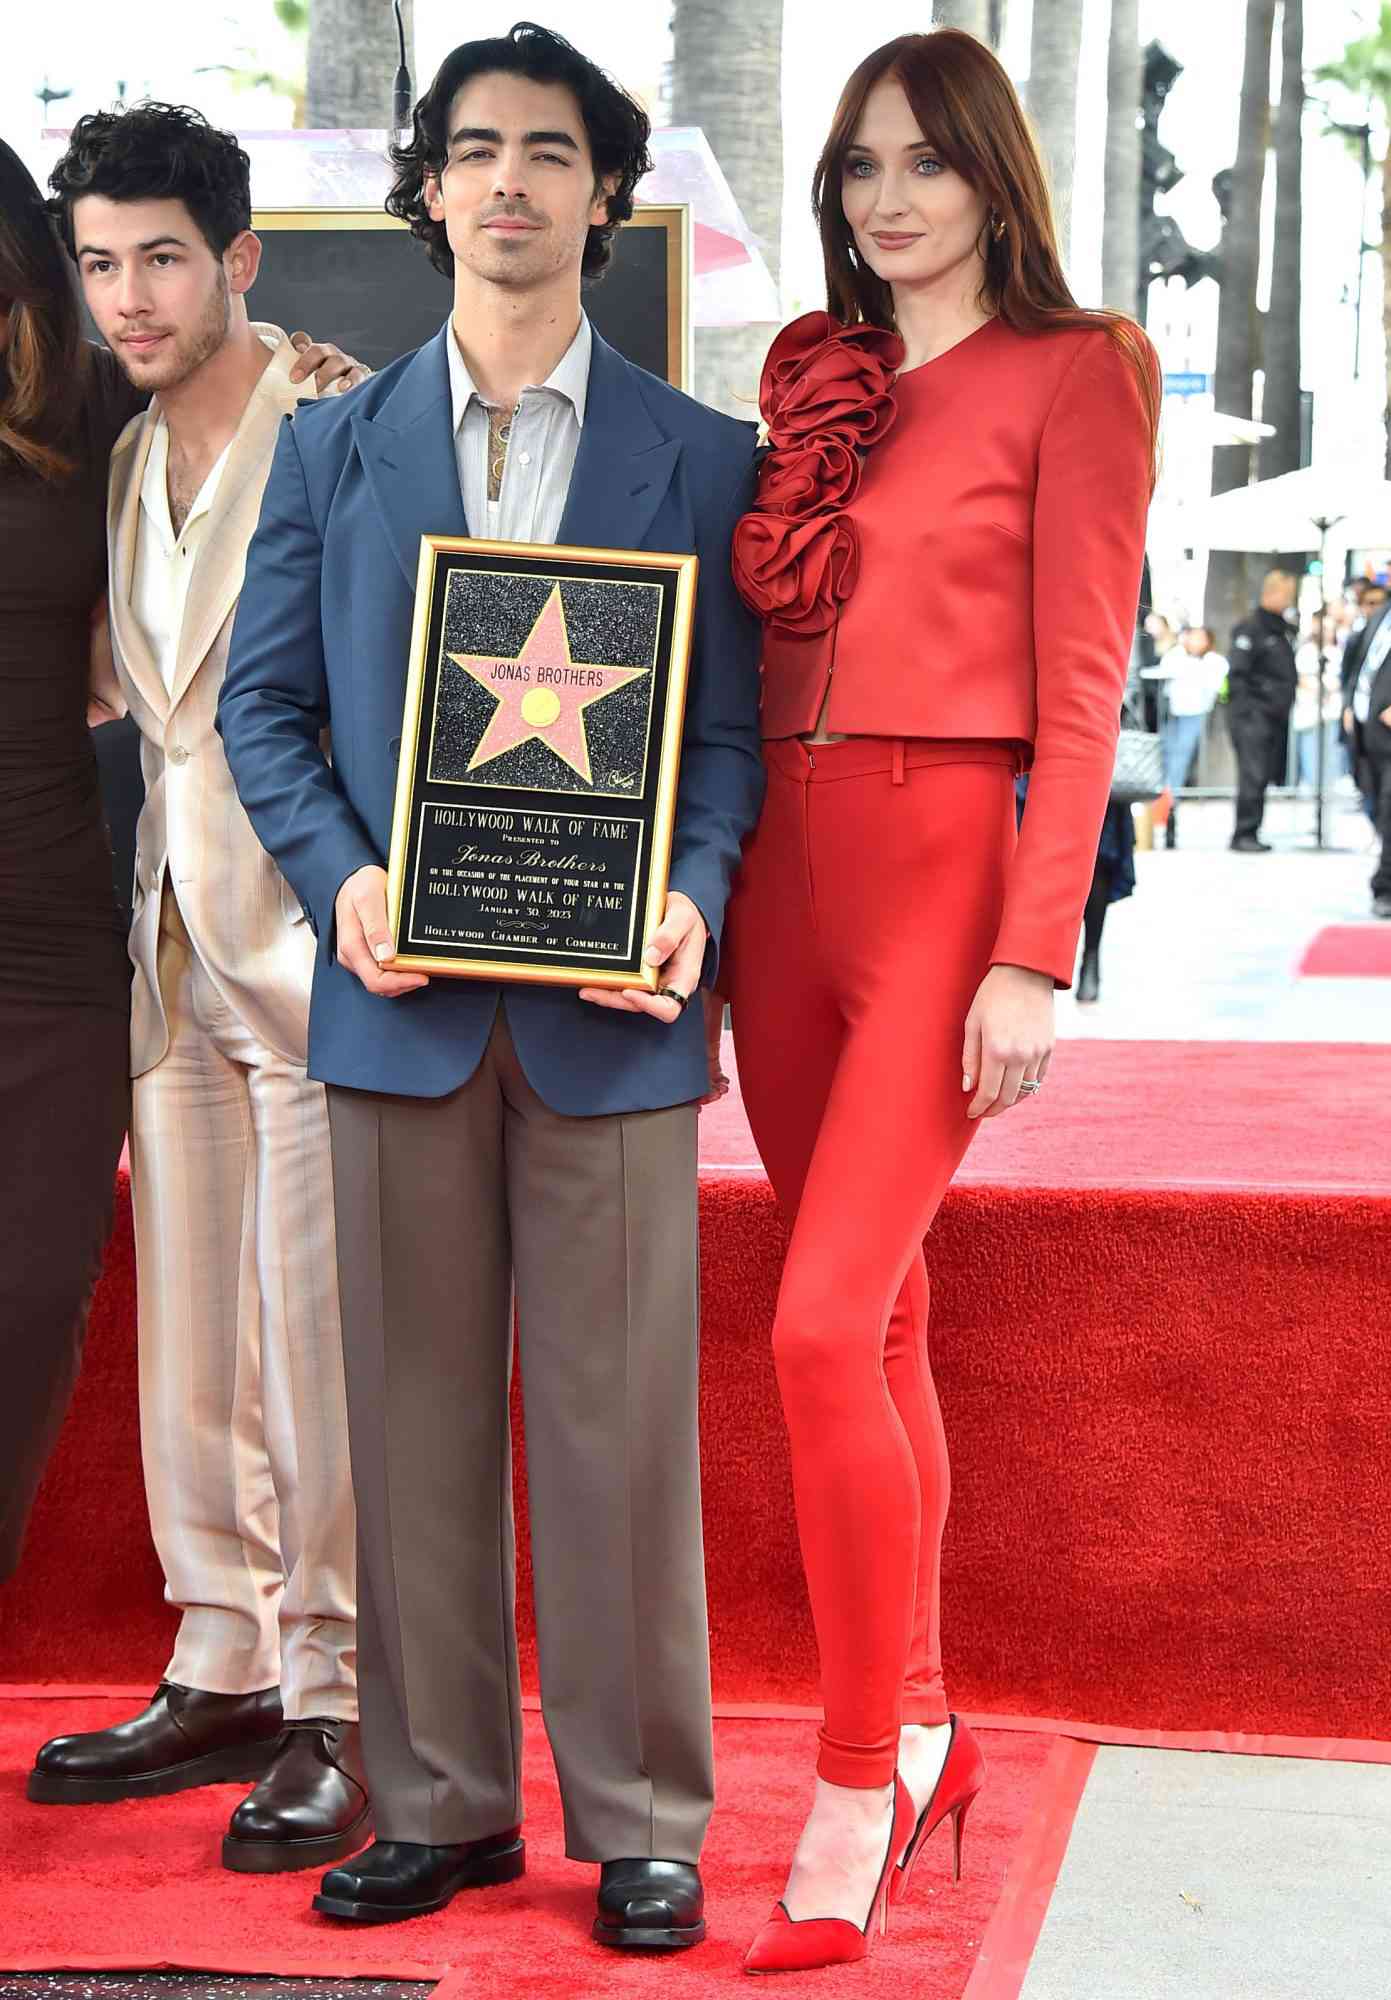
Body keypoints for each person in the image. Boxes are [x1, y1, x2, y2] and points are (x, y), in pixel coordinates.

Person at [217, 23, 762, 1945]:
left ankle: (640, 1818)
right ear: (429, 189)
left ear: (606, 197)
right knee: (414, 1423)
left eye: (551, 151)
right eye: (477, 150)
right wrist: (345, 879)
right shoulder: (329, 447)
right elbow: (261, 713)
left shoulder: (704, 456)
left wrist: (690, 891)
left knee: (621, 1433)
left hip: (615, 1026)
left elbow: (724, 748)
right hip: (397, 1006)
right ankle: (440, 1802)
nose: (512, 179)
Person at [722, 26, 1158, 1974]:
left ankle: (850, 1771)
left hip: (935, 876)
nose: (882, 199)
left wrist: (1028, 949)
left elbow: (1081, 687)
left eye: (920, 163)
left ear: (991, 174)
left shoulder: (1080, 371)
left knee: (820, 1325)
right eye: (854, 168)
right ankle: (918, 1713)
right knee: (869, 1311)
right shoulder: (805, 378)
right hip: (775, 880)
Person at [29, 103, 370, 1877]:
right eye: (101, 263)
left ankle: (344, 1696)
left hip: (322, 956)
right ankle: (222, 1654)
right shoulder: (107, 449)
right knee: (197, 1343)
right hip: (163, 943)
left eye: (165, 255)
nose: (132, 295)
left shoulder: (346, 419)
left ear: (240, 257)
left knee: (317, 1343)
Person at [1227, 569, 1299, 852]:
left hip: (1271, 717)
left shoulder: (1280, 628)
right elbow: (1238, 675)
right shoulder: (1251, 628)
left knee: (1261, 775)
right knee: (1252, 775)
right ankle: (1244, 833)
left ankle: (1252, 831)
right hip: (1253, 717)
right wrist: (1251, 710)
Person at [1342, 594, 1391, 917]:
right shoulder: (1381, 614)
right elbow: (1360, 663)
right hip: (1366, 728)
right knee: (1375, 803)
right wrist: (1349, 704)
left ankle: (1385, 885)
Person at [1159, 624, 1225, 849]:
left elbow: (1213, 684)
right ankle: (1167, 797)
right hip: (1173, 711)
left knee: (1181, 756)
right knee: (1169, 755)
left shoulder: (1214, 661)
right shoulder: (1176, 655)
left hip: (1195, 712)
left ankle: (1171, 798)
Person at [1292, 613, 1343, 796]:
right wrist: (1321, 689)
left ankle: (1329, 786)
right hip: (1310, 711)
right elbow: (1302, 678)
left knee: (1331, 750)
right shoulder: (1307, 651)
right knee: (1310, 752)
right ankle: (1313, 787)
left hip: (1332, 711)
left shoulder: (1337, 653)